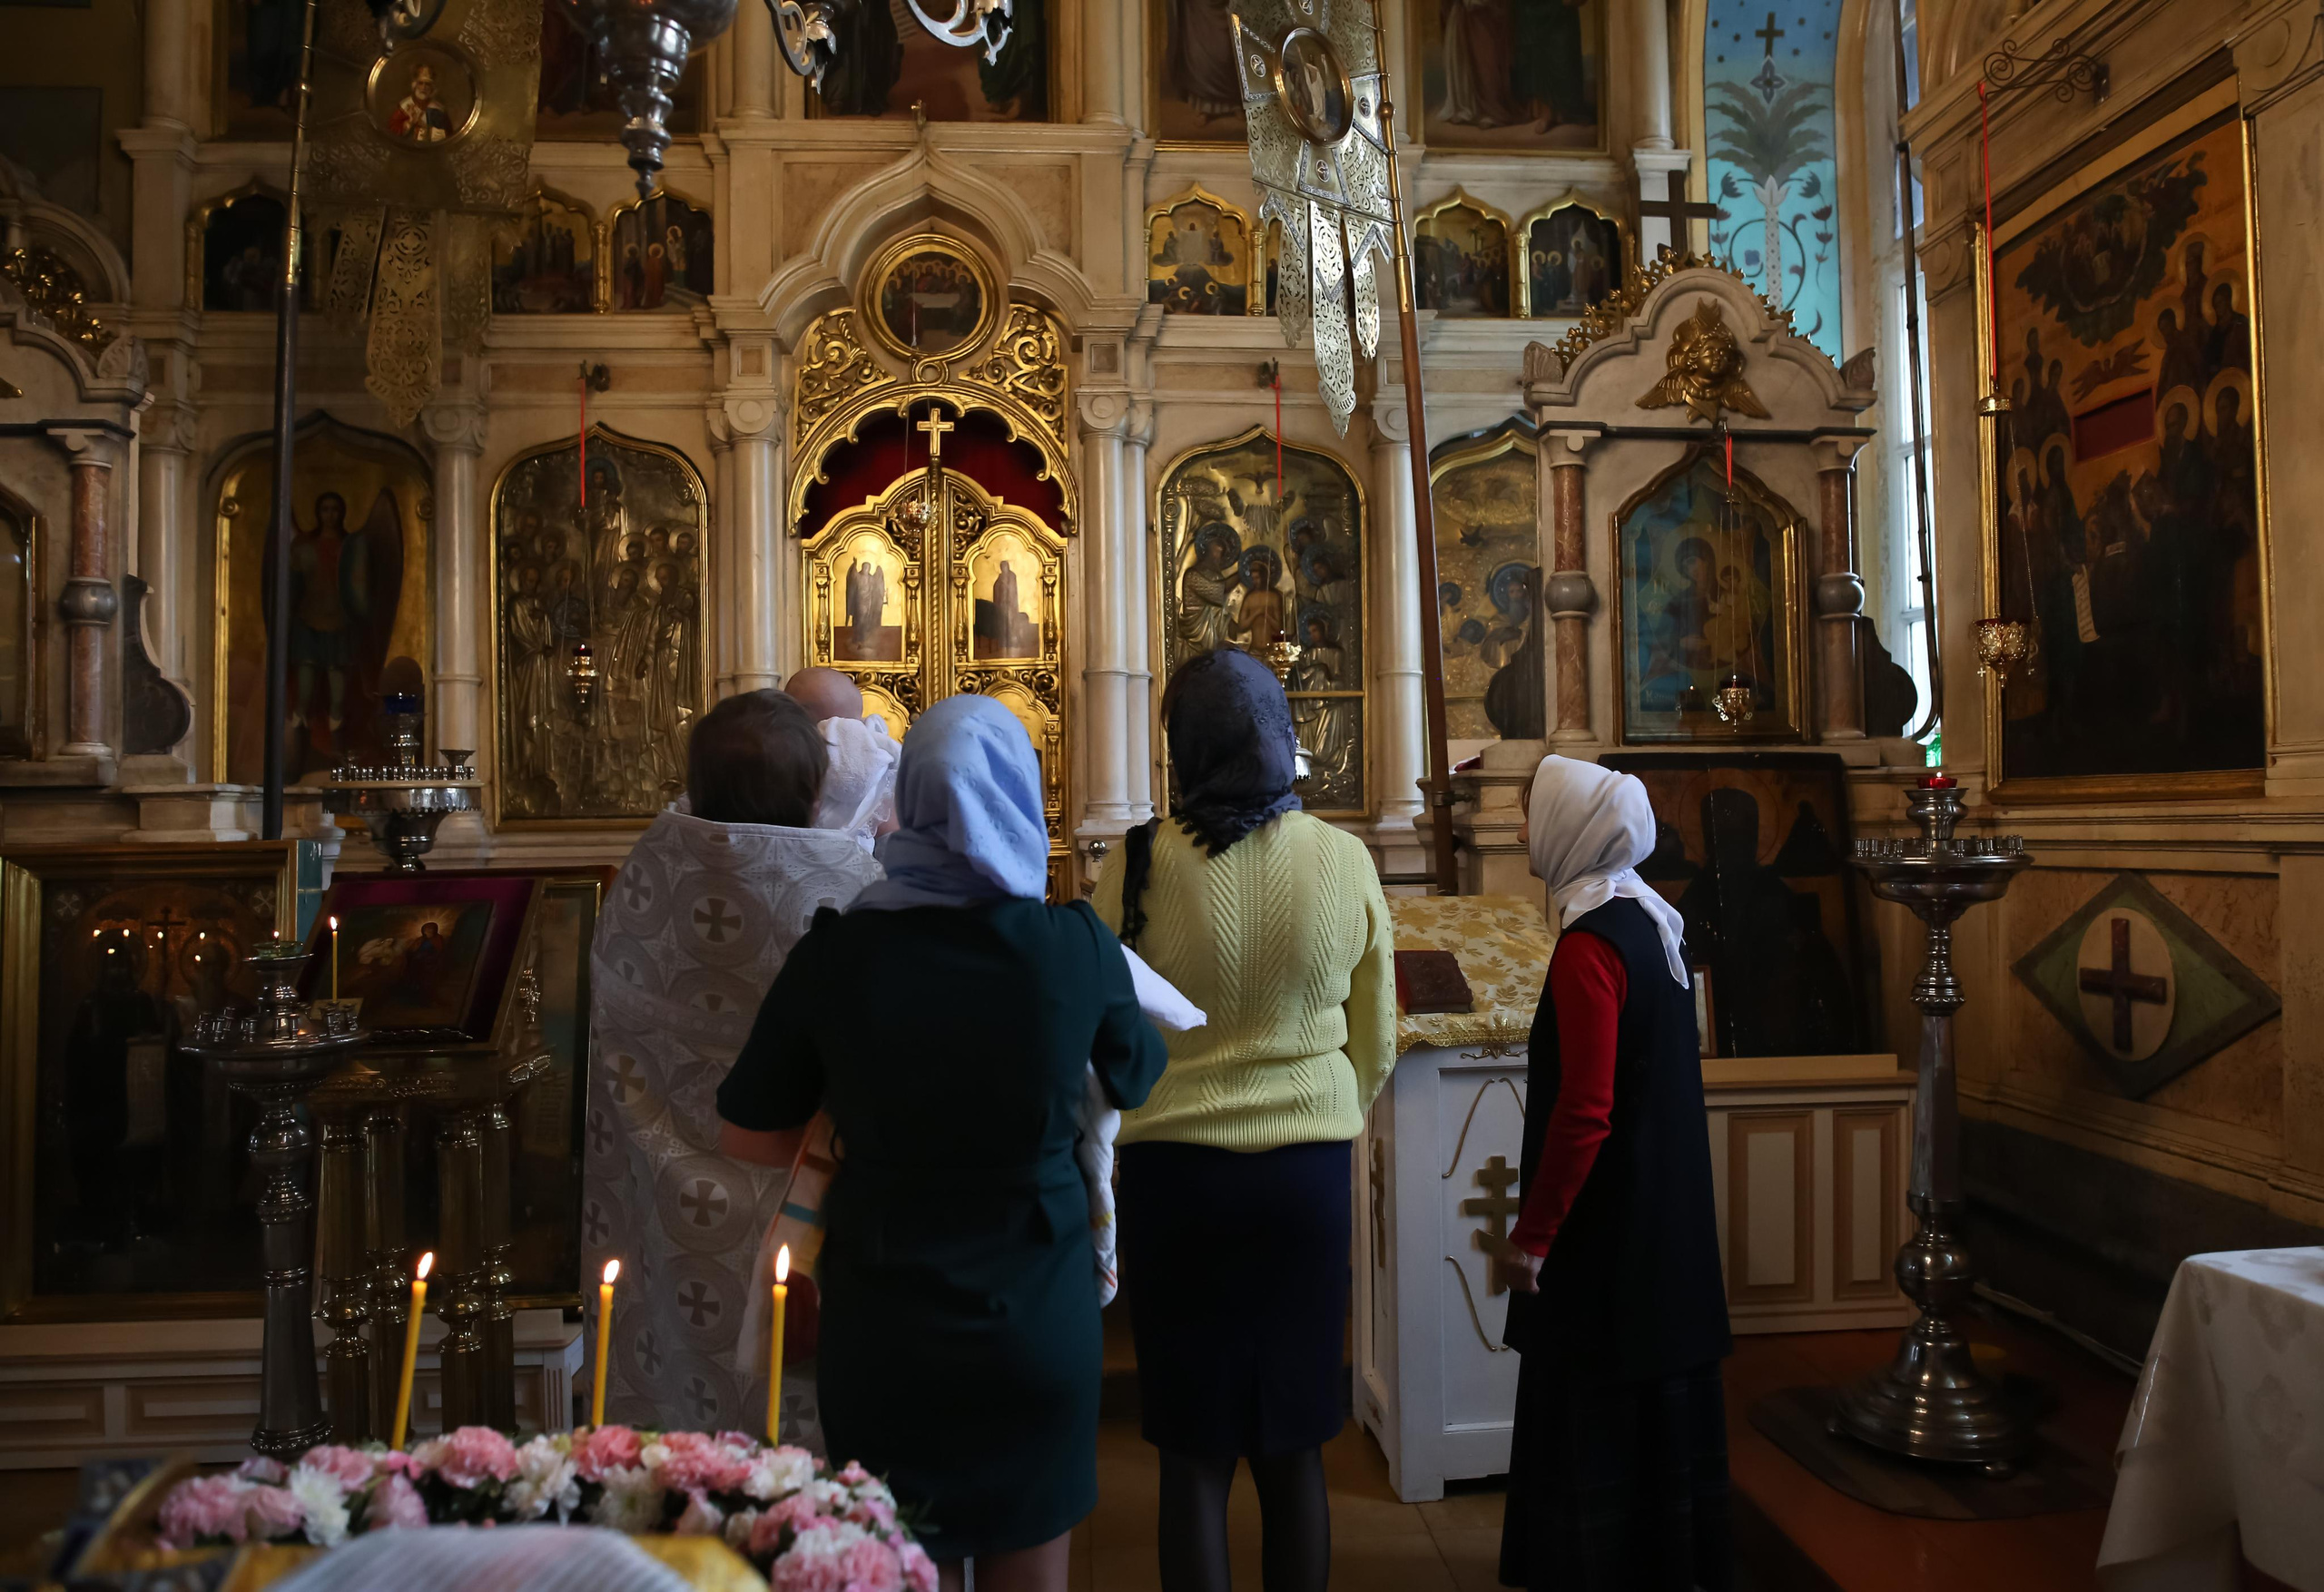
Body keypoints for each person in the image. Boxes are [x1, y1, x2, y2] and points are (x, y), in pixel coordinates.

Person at [717, 696, 1165, 1588]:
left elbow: (748, 1128)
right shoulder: (1070, 945)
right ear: (1018, 801)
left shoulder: (838, 956)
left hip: (886, 1327)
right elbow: (1136, 1073)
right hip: (1035, 1319)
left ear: (907, 800)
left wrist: (853, 1129)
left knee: (890, 1567)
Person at [1091, 648, 1395, 1592]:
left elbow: (1104, 1024)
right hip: (1302, 1174)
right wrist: (1325, 1107)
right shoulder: (1342, 857)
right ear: (1278, 734)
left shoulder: (1135, 860)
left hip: (1172, 1178)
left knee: (1191, 1448)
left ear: (1184, 744)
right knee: (1295, 1440)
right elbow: (1376, 1028)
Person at [583, 690, 882, 1438]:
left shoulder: (648, 877)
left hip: (673, 1215)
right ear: (817, 793)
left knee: (686, 1423)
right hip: (805, 1207)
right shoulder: (854, 893)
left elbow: (615, 1024)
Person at [1497, 755, 1731, 1592]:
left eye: (1531, 815)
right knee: (1659, 1449)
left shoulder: (1590, 947)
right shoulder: (1650, 924)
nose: (1522, 830)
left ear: (1570, 829)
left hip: (1609, 1251)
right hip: (1664, 1237)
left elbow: (1585, 1111)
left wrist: (1533, 1237)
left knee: (1598, 1432)